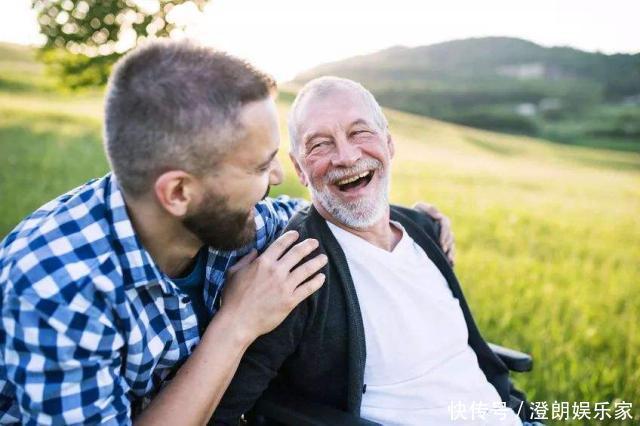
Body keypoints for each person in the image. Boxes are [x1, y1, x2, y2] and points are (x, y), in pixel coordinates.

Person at [0, 41, 453, 424]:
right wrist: (237, 323)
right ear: (178, 192)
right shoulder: (57, 287)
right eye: (260, 166)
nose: (277, 176)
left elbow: (317, 208)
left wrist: (415, 220)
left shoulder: (232, 219)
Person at [212, 77, 535, 425]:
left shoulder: (424, 229)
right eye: (320, 144)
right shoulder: (295, 271)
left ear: (389, 143)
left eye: (360, 133)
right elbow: (228, 412)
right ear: (300, 170)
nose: (347, 156)